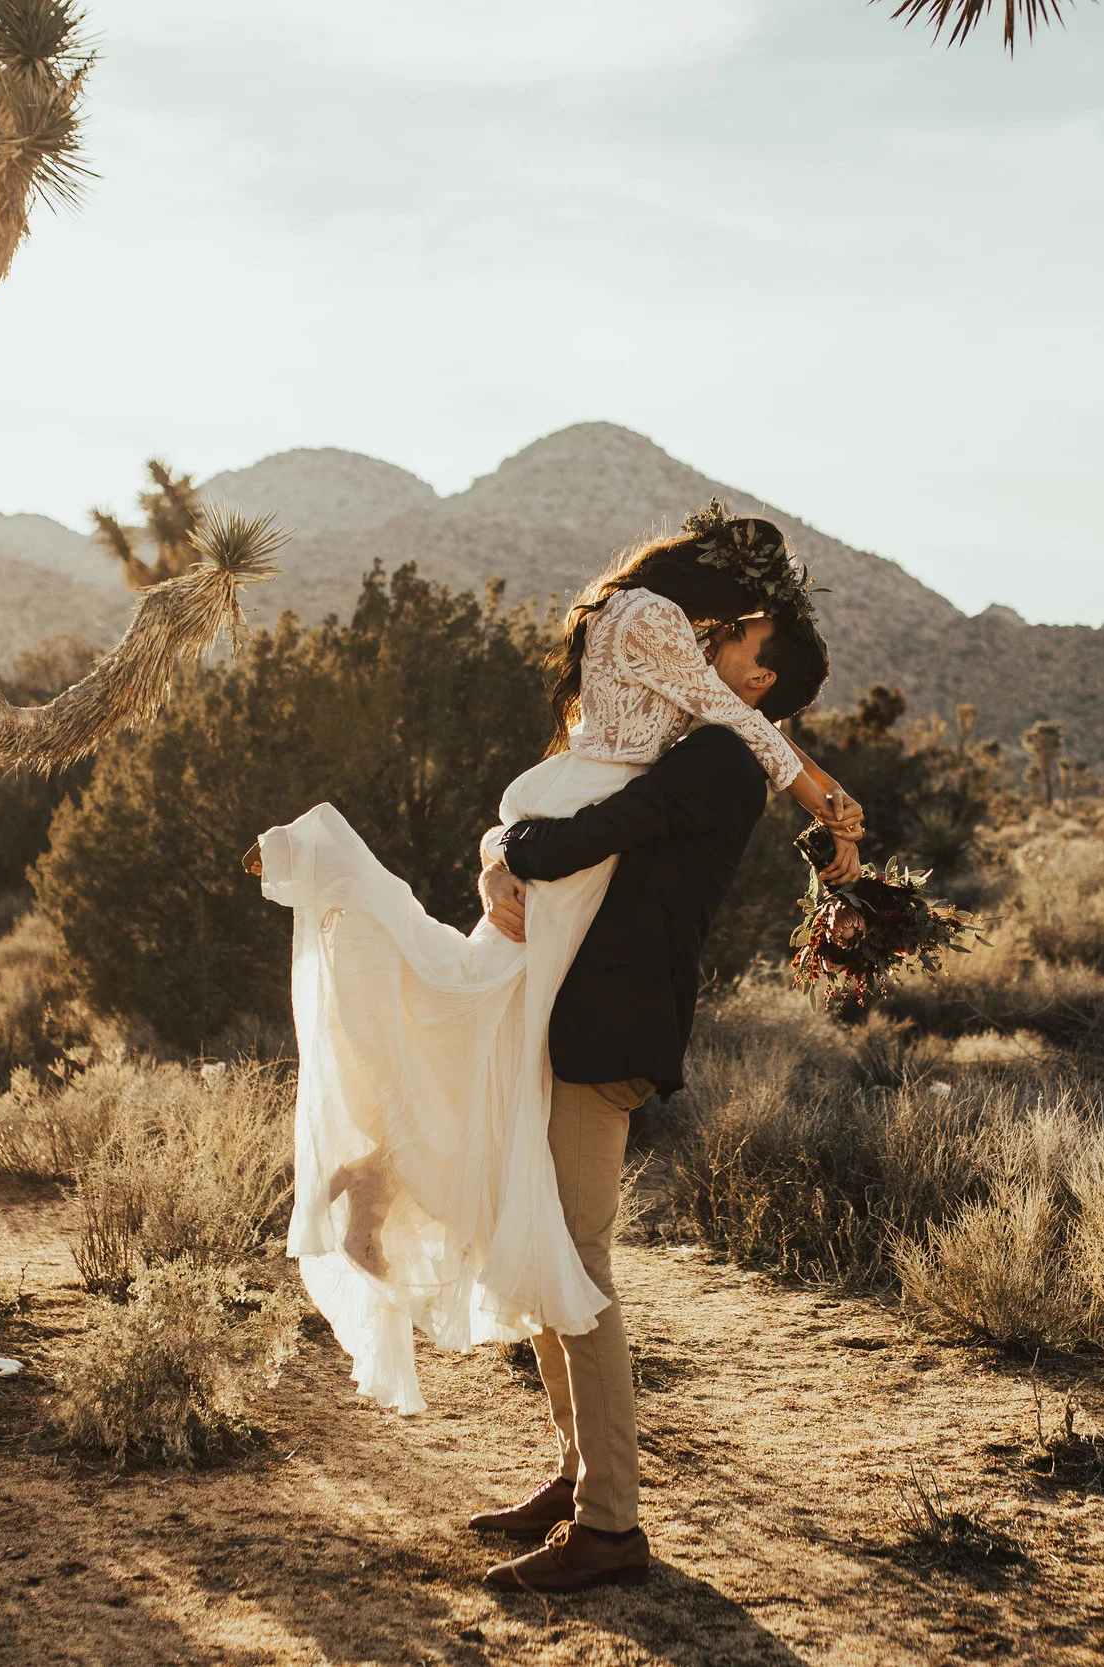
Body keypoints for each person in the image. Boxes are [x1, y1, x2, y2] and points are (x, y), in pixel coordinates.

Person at [251, 504, 859, 1415]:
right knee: (480, 994)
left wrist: (826, 800)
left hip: (582, 826)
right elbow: (743, 720)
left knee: (488, 1008)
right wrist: (832, 802)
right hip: (581, 816)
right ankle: (328, 879)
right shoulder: (654, 618)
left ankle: (385, 1165)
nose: (736, 630)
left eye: (751, 629)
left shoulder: (682, 665)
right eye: (747, 613)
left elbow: (743, 723)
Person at [465, 604, 831, 1593]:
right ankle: (580, 1474)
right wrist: (502, 845)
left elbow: (603, 832)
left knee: (577, 1259)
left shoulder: (717, 756)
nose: (710, 640)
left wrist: (516, 849)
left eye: (737, 639)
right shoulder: (688, 738)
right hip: (571, 1008)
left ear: (758, 682)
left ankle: (612, 1525)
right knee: (548, 1245)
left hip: (608, 1023)